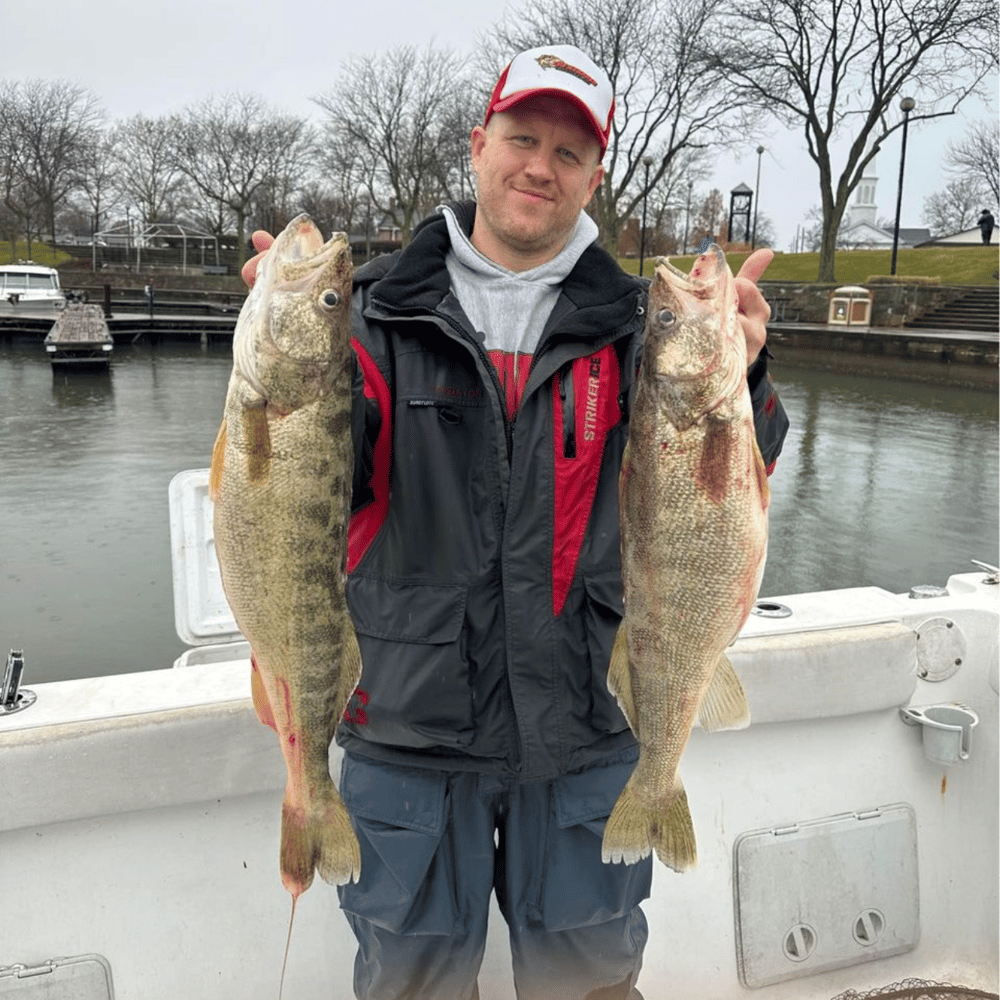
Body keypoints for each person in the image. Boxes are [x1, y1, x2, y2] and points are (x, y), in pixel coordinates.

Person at [242, 43, 788, 1000]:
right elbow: (307, 479)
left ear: (594, 174)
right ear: (478, 144)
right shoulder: (372, 317)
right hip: (403, 729)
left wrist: (744, 376)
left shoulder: (637, 322)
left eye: (569, 152)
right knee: (409, 983)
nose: (541, 165)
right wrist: (282, 346)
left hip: (587, 728)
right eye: (522, 137)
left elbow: (727, 493)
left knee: (591, 983)